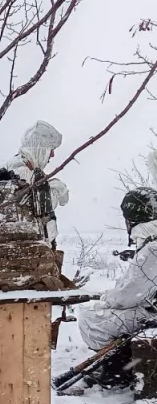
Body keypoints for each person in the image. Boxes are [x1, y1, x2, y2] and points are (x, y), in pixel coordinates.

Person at [78, 151, 157, 353]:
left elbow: (128, 295)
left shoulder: (152, 249)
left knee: (91, 320)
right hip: (152, 311)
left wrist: (106, 301)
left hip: (152, 315)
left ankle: (117, 372)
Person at [0, 120, 70, 243]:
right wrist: (56, 189)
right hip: (22, 251)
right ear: (40, 146)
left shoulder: (18, 168)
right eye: (51, 148)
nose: (53, 155)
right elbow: (35, 212)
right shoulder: (22, 171)